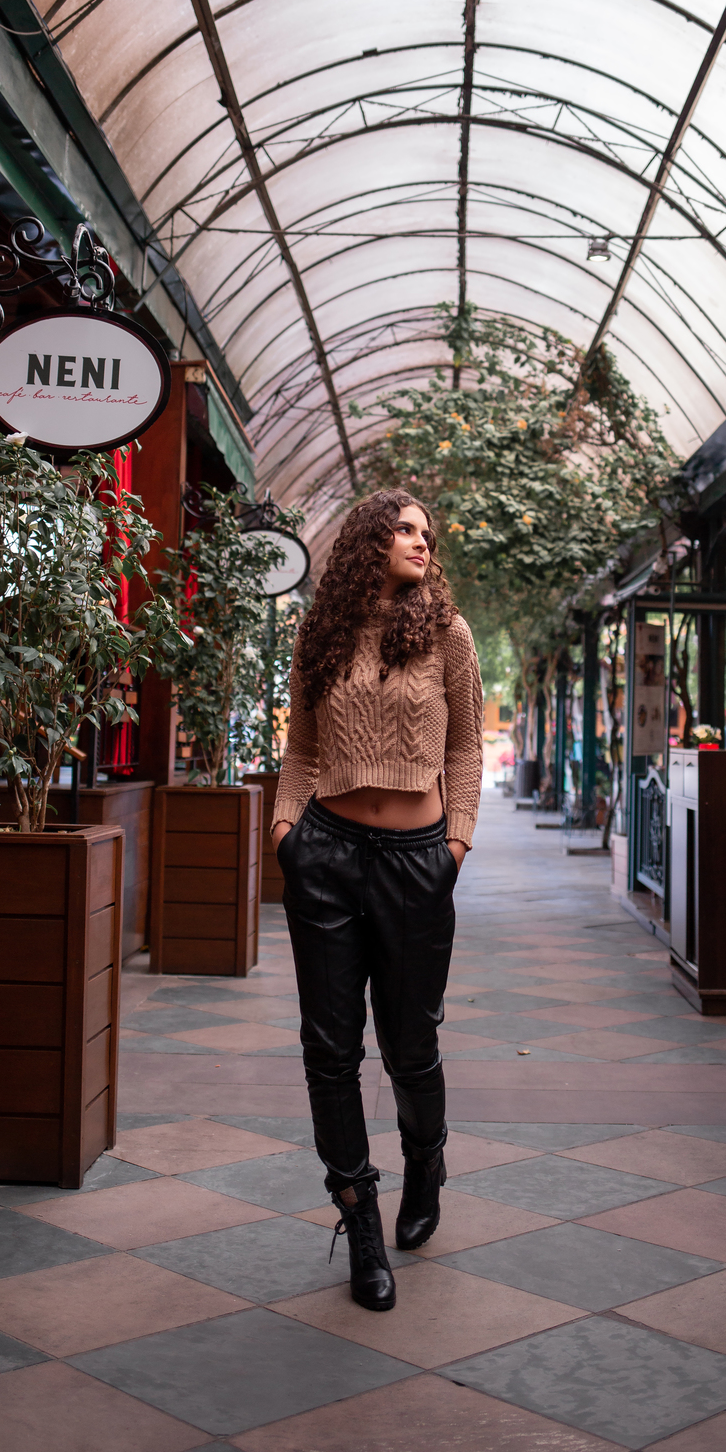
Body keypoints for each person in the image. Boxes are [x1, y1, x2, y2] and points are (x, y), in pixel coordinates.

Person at [271, 489, 484, 1311]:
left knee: (409, 1043)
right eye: (405, 529)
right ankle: (359, 1217)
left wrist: (454, 846)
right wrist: (287, 829)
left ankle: (424, 1162)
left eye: (427, 532)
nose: (421, 541)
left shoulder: (446, 635)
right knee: (329, 1049)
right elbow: (301, 748)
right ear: (369, 539)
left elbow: (465, 746)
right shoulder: (320, 633)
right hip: (324, 855)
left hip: (416, 863)